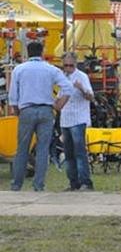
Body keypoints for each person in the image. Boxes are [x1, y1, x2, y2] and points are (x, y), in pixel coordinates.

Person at [8, 41, 73, 191]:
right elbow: (68, 87)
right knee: (43, 149)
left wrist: (18, 111)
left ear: (27, 52)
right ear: (42, 52)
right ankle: (38, 185)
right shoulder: (50, 69)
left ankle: (17, 184)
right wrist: (59, 104)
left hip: (27, 110)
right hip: (46, 110)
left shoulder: (19, 69)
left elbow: (13, 95)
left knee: (22, 148)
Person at [59, 52, 95, 191]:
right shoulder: (61, 77)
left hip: (78, 118)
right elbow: (60, 96)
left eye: (71, 65)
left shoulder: (82, 76)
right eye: (66, 65)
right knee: (68, 153)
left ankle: (85, 181)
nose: (68, 68)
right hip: (65, 118)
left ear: (75, 64)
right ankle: (73, 182)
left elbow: (91, 97)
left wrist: (81, 88)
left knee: (79, 152)